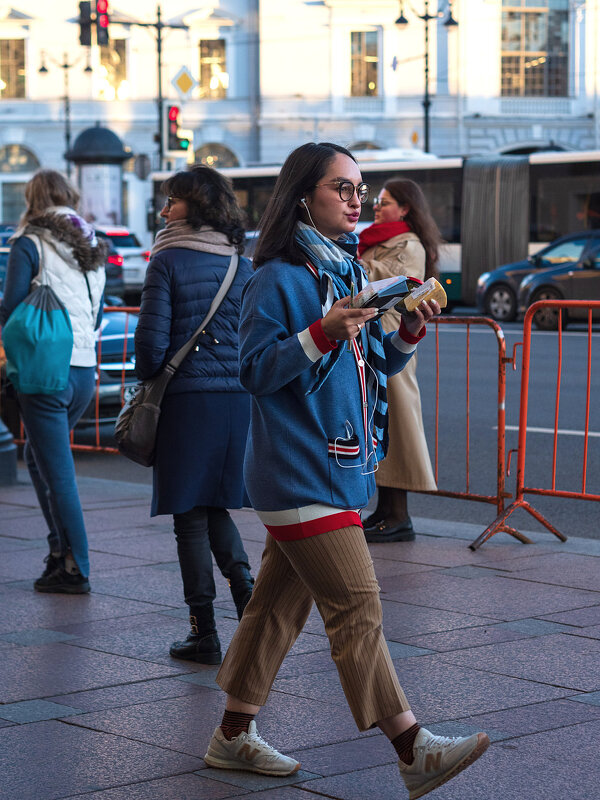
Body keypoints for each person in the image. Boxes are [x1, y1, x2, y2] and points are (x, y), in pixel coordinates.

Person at [202, 143, 489, 798]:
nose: (357, 199)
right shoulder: (278, 275)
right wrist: (324, 331)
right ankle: (413, 748)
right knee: (357, 605)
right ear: (304, 195)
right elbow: (254, 370)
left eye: (361, 188)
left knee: (275, 607)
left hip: (334, 465)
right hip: (299, 471)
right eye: (343, 187)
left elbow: (376, 362)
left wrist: (409, 328)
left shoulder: (342, 271)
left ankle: (232, 733)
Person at [134, 165, 255, 665]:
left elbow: (149, 349)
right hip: (237, 402)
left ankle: (203, 631)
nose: (164, 211)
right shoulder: (241, 263)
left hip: (187, 400)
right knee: (215, 506)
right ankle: (251, 609)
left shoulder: (168, 260)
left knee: (189, 515)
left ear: (196, 205)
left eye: (172, 202)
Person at [0, 169, 106, 593]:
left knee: (57, 474)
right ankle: (59, 554)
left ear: (34, 199)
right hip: (84, 370)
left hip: (46, 372)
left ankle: (76, 566)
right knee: (44, 463)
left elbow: (11, 306)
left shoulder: (30, 241)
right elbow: (97, 312)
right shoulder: (94, 244)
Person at [358, 178, 441, 543]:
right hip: (374, 337)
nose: (377, 206)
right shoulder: (378, 239)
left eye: (386, 201)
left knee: (398, 424)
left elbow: (391, 282)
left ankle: (398, 515)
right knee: (380, 423)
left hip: (395, 339)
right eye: (376, 200)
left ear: (405, 208)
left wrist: (353, 264)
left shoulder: (409, 244)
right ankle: (386, 512)